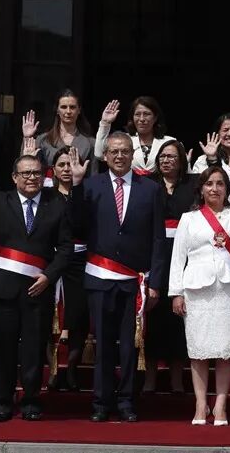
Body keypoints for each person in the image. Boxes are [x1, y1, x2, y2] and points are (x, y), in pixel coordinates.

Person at [0, 151, 73, 422]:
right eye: (26, 173)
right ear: (14, 177)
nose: (32, 178)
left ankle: (32, 401)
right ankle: (2, 402)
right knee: (4, 348)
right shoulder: (0, 200)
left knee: (33, 350)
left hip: (39, 288)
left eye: (36, 172)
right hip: (4, 288)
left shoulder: (56, 203)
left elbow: (66, 247)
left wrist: (49, 275)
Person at [169, 143, 230, 426]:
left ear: (227, 188)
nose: (214, 188)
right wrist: (176, 293)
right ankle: (201, 405)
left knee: (226, 350)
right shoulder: (189, 219)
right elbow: (178, 258)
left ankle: (221, 405)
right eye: (209, 184)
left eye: (220, 184)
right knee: (199, 351)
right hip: (197, 292)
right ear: (201, 189)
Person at [69, 131, 167, 422]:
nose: (120, 156)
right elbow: (76, 225)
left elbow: (158, 239)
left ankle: (126, 402)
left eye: (125, 151)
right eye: (114, 152)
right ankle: (101, 403)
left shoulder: (150, 189)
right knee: (104, 346)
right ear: (106, 155)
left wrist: (156, 284)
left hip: (133, 282)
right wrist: (75, 185)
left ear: (132, 153)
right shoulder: (90, 186)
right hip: (100, 278)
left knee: (129, 346)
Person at [142, 140, 196, 394]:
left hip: (185, 256)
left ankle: (176, 378)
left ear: (182, 160)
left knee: (178, 317)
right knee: (153, 317)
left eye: (172, 156)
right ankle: (150, 378)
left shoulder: (193, 185)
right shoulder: (148, 185)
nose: (166, 160)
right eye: (162, 156)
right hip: (155, 254)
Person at [37, 143, 90, 392]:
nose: (67, 169)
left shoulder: (86, 193)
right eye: (62, 165)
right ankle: (54, 370)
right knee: (50, 318)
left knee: (77, 317)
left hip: (81, 262)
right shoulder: (46, 197)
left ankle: (71, 370)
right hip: (52, 262)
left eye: (71, 164)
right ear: (53, 170)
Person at [21, 89, 97, 175]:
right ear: (57, 110)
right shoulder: (43, 140)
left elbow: (93, 175)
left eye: (72, 107)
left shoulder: (90, 143)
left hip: (79, 187)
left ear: (79, 110)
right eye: (63, 107)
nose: (68, 111)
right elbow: (24, 167)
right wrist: (27, 138)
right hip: (49, 187)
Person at [94, 97, 175, 175]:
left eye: (146, 114)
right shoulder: (123, 140)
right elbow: (99, 154)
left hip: (161, 188)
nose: (142, 119)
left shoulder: (169, 142)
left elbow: (184, 171)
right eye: (137, 114)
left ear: (155, 117)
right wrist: (105, 123)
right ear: (132, 118)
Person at [192, 113, 230, 201]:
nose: (229, 133)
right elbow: (197, 188)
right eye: (225, 130)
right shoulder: (203, 160)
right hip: (217, 211)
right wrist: (211, 158)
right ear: (218, 134)